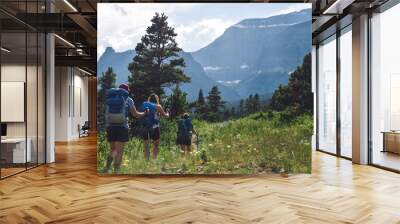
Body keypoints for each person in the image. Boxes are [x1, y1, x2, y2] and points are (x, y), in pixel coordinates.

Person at [104, 83, 144, 173]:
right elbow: (135, 114)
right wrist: (144, 114)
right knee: (119, 151)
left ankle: (107, 167)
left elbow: (106, 113)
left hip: (110, 126)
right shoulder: (128, 99)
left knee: (113, 149)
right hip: (122, 126)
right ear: (127, 91)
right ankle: (116, 172)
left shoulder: (110, 99)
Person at [139, 94, 169, 160]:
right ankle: (154, 159)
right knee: (156, 145)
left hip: (144, 126)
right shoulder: (158, 106)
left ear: (149, 99)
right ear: (157, 99)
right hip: (154, 127)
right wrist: (167, 112)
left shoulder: (144, 104)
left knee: (146, 145)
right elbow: (165, 115)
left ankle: (146, 160)